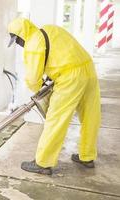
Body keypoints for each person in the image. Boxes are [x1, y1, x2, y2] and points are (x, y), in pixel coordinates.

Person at [7, 18, 101, 175]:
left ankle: (43, 163)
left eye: (17, 39)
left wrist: (39, 89)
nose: (18, 43)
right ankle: (87, 156)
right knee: (91, 115)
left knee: (56, 118)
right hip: (88, 69)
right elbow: (62, 52)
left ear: (21, 35)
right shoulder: (50, 29)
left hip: (70, 77)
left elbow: (33, 79)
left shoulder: (32, 44)